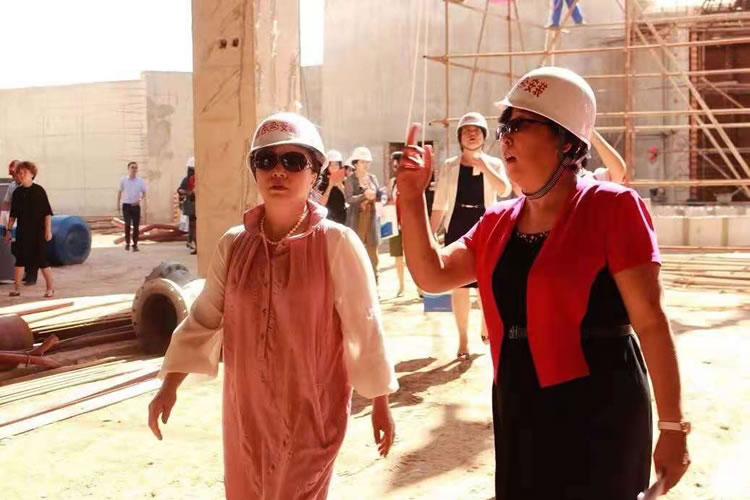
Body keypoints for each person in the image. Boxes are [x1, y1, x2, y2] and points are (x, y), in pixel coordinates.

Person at [397, 67, 690, 499]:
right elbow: (433, 274)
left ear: (567, 140)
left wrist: (673, 426)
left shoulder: (612, 207)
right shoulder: (497, 221)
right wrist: (410, 198)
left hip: (600, 406)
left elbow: (650, 322)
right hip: (519, 400)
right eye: (504, 127)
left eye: (519, 125)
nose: (505, 138)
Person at [148, 112, 397, 499]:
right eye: (265, 160)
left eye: (293, 161)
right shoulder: (234, 245)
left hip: (311, 414)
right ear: (255, 170)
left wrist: (380, 402)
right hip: (245, 414)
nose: (278, 171)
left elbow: (363, 325)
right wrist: (169, 385)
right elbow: (204, 318)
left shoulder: (337, 244)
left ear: (314, 173)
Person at [430, 112, 511, 359]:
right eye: (466, 131)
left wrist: (484, 166)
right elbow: (439, 204)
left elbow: (504, 190)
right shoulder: (449, 165)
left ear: (484, 136)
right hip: (457, 225)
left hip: (486, 227)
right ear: (460, 137)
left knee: (486, 284)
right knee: (460, 287)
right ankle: (463, 340)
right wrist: (430, 235)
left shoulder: (494, 164)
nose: (472, 134)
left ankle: (486, 326)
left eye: (477, 130)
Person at [3, 161, 55, 297]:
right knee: (20, 260)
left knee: (42, 260)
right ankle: (16, 288)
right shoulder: (17, 192)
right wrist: (8, 231)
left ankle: (50, 288)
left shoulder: (39, 191)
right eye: (19, 173)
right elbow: (13, 215)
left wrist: (48, 230)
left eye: (25, 172)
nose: (22, 175)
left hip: (38, 231)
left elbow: (47, 213)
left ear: (32, 174)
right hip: (22, 231)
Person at [345, 146, 385, 283]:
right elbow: (349, 199)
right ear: (355, 163)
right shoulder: (350, 179)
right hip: (357, 219)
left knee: (373, 251)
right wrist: (364, 196)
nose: (366, 165)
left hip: (371, 218)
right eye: (362, 162)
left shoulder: (372, 178)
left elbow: (379, 196)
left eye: (367, 162)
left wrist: (377, 195)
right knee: (356, 250)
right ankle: (356, 281)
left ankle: (374, 280)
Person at [117, 161, 147, 252]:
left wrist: (139, 200)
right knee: (127, 224)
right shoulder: (123, 180)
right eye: (132, 167)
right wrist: (118, 204)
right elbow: (119, 192)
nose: (134, 169)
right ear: (128, 169)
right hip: (126, 205)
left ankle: (135, 244)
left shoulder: (140, 181)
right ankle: (127, 243)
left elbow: (144, 193)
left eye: (135, 168)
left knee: (136, 225)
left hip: (136, 205)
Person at [388, 151, 406, 297]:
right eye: (394, 166)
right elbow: (389, 200)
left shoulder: (411, 180)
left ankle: (419, 287)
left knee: (413, 257)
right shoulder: (392, 182)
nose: (396, 168)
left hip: (409, 225)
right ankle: (401, 286)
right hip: (395, 224)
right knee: (398, 256)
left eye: (397, 165)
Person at [315, 149, 348, 224]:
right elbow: (322, 203)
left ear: (340, 166)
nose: (334, 167)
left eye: (336, 165)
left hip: (342, 216)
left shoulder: (345, 180)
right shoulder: (322, 181)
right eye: (331, 165)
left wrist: (340, 186)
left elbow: (349, 199)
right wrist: (330, 186)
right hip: (327, 216)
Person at [178, 157, 197, 254]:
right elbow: (180, 190)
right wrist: (189, 193)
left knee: (194, 226)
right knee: (192, 226)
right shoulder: (188, 179)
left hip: (196, 205)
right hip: (192, 205)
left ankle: (192, 242)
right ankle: (192, 242)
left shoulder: (196, 178)